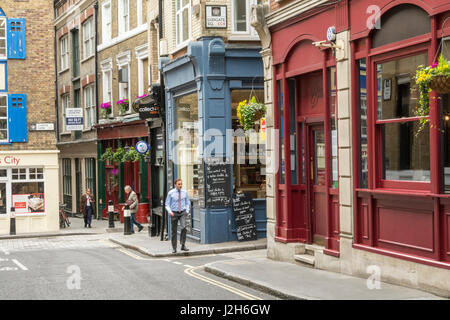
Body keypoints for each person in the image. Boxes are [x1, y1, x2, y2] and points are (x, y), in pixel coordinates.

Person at [165, 179, 190, 253]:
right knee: (174, 231)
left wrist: (187, 210)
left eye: (181, 184)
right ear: (175, 185)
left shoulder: (184, 192)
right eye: (179, 184)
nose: (180, 185)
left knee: (184, 227)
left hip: (182, 212)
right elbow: (167, 204)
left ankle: (183, 245)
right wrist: (170, 211)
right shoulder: (171, 193)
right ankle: (174, 248)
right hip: (174, 213)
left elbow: (187, 202)